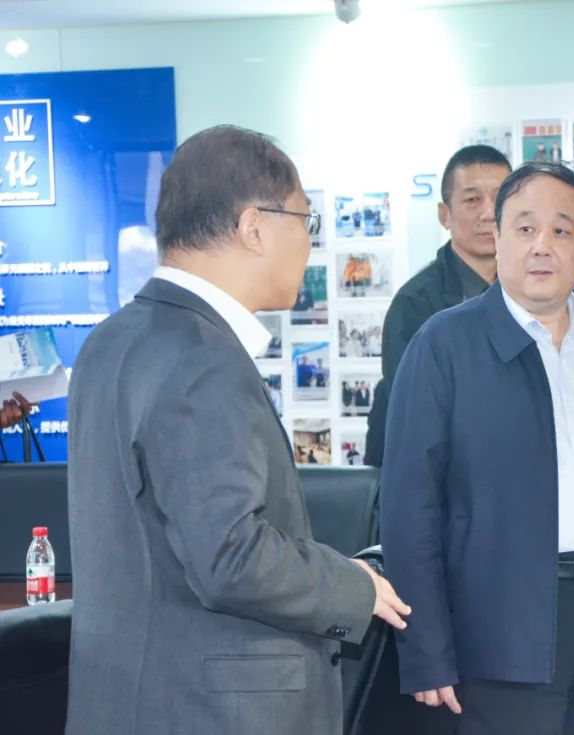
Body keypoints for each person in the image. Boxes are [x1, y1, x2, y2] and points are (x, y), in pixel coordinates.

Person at [64, 126, 411, 735]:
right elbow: (230, 556)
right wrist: (354, 585)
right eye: (305, 220)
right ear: (255, 227)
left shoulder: (111, 341)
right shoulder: (202, 359)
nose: (309, 242)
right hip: (211, 712)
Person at [381, 162, 574, 735]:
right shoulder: (444, 343)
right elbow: (409, 510)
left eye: (562, 230)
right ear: (497, 236)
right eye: (525, 228)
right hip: (502, 629)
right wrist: (424, 650)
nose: (542, 245)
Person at [364, 144, 511, 465]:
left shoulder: (527, 294)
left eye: (500, 199)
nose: (488, 213)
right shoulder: (415, 304)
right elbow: (416, 414)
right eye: (472, 200)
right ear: (445, 215)